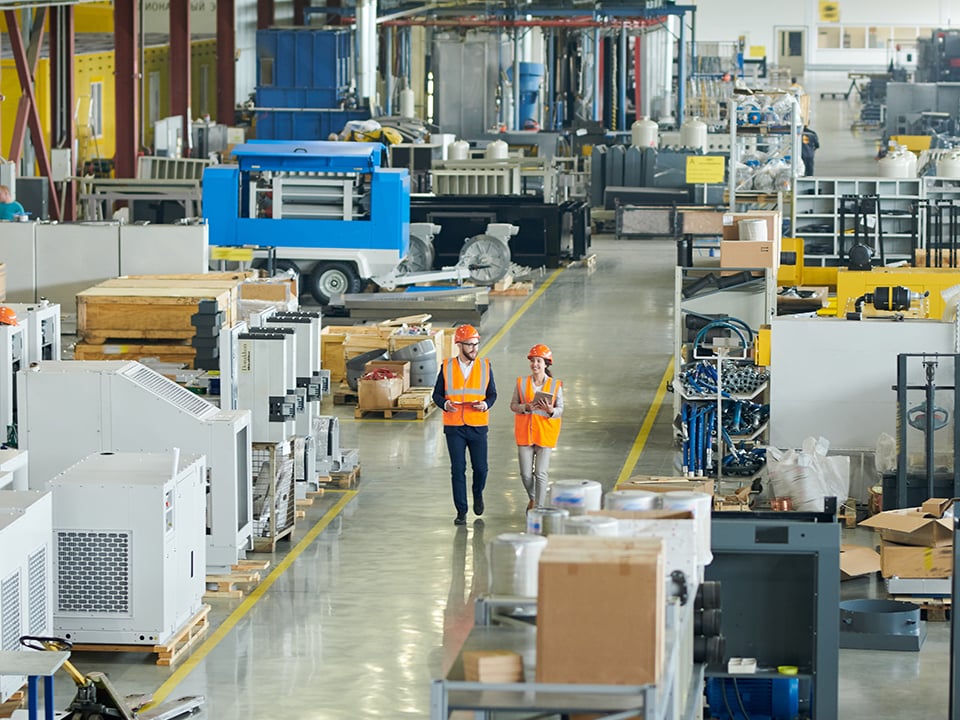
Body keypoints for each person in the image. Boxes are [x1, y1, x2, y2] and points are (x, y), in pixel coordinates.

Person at [432, 324, 497, 526]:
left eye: (476, 345)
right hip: (454, 427)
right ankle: (461, 511)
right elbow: (437, 395)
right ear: (459, 345)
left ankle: (477, 493)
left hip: (477, 425)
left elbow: (492, 394)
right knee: (458, 469)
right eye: (470, 345)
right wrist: (445, 404)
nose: (474, 349)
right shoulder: (447, 367)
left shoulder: (485, 366)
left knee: (481, 469)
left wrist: (485, 404)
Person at [510, 344, 563, 511]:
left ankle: (538, 509)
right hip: (525, 434)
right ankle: (533, 498)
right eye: (533, 361)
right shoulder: (521, 383)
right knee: (525, 474)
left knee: (540, 473)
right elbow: (513, 405)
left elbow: (560, 409)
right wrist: (526, 407)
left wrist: (551, 410)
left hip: (544, 434)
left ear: (546, 364)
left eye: (539, 361)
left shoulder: (555, 385)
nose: (535, 365)